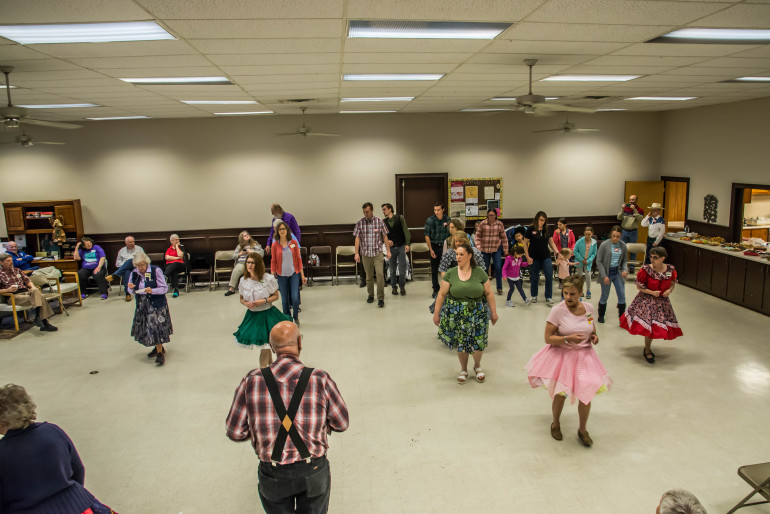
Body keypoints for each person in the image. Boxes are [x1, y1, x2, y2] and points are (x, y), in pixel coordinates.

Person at [226, 321, 349, 514]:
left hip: (272, 471)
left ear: (272, 347)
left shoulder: (251, 380)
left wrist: (261, 431)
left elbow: (235, 432)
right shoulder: (320, 379)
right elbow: (341, 423)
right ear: (300, 343)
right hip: (313, 469)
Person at [0, 384, 116, 514]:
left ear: (3, 420)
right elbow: (78, 469)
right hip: (78, 505)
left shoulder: (3, 451)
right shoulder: (52, 430)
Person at [525, 275, 611, 447]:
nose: (568, 297)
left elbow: (591, 327)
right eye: (565, 293)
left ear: (580, 292)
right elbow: (548, 338)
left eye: (572, 294)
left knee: (586, 395)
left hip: (585, 357)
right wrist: (567, 339)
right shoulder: (557, 310)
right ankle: (555, 424)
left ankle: (583, 430)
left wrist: (594, 336)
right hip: (562, 356)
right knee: (560, 394)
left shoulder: (588, 308)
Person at [433, 243, 499, 384]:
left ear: (470, 255)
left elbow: (489, 293)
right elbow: (441, 294)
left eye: (461, 254)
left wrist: (494, 312)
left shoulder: (480, 272)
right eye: (457, 254)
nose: (458, 257)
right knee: (462, 343)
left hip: (478, 312)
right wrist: (436, 313)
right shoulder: (450, 273)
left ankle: (477, 366)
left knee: (478, 341)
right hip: (457, 313)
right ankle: (463, 369)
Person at [620, 247, 683, 364]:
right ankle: (647, 349)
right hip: (647, 300)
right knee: (650, 326)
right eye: (651, 256)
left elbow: (673, 283)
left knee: (656, 327)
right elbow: (639, 286)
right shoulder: (646, 270)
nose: (652, 259)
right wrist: (651, 292)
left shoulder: (670, 270)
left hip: (662, 302)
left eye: (655, 258)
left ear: (662, 259)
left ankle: (647, 348)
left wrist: (669, 291)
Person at [234, 253, 292, 368]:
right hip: (253, 316)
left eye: (252, 263)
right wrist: (246, 303)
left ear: (258, 264)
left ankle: (263, 371)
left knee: (265, 346)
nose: (249, 265)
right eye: (248, 262)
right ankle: (271, 365)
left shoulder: (267, 279)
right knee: (265, 344)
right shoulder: (243, 280)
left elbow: (276, 296)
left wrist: (263, 301)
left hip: (267, 314)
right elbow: (241, 298)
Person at [127, 252, 173, 366]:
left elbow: (164, 288)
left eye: (142, 265)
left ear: (147, 262)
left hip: (156, 304)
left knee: (157, 328)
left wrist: (152, 290)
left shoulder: (155, 270)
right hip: (143, 304)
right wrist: (131, 288)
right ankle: (159, 348)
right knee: (148, 327)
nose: (141, 268)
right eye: (138, 266)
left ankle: (159, 354)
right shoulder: (134, 273)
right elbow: (131, 291)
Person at [0, 253, 57, 331]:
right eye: (8, 261)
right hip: (14, 296)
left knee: (36, 290)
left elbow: (28, 281)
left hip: (26, 292)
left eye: (11, 260)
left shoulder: (17, 270)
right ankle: (44, 322)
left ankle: (38, 318)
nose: (11, 262)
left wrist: (33, 288)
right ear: (1, 262)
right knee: (42, 297)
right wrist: (8, 290)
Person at [354, 202, 391, 308]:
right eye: (364, 212)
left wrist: (388, 251)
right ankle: (370, 295)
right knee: (369, 277)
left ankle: (381, 298)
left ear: (372, 210)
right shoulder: (360, 223)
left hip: (377, 254)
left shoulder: (379, 222)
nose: (365, 214)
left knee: (380, 275)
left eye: (367, 212)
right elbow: (357, 239)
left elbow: (385, 237)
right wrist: (357, 253)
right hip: (366, 255)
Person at [271, 222, 306, 326]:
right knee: (285, 300)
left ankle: (295, 316)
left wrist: (302, 275)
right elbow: (273, 261)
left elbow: (299, 260)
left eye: (284, 229)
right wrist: (272, 275)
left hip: (294, 274)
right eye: (280, 229)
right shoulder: (274, 245)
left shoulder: (293, 243)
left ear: (287, 230)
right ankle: (288, 319)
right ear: (277, 231)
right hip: (281, 275)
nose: (282, 230)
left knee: (295, 298)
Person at [523, 211, 559, 306]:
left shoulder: (547, 229)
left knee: (549, 275)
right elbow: (525, 243)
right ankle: (534, 295)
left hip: (545, 256)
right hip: (533, 257)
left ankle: (548, 297)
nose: (542, 222)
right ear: (537, 219)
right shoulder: (530, 229)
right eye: (541, 220)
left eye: (544, 220)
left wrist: (557, 252)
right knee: (534, 277)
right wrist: (527, 256)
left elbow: (551, 242)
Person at [596, 226, 629, 323]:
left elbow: (625, 260)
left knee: (622, 295)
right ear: (611, 235)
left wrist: (625, 270)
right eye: (614, 236)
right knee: (605, 295)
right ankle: (601, 315)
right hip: (607, 273)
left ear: (621, 236)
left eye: (618, 237)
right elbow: (599, 261)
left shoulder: (623, 245)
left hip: (617, 273)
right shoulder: (604, 245)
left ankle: (622, 318)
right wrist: (604, 276)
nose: (615, 238)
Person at [474, 208, 508, 295]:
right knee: (484, 269)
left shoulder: (499, 224)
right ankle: (485, 288)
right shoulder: (483, 223)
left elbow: (504, 237)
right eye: (489, 215)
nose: (491, 217)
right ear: (487, 215)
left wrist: (506, 249)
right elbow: (477, 236)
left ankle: (499, 287)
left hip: (496, 249)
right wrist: (478, 246)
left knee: (498, 267)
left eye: (492, 215)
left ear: (496, 215)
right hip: (484, 249)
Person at [382, 203, 411, 296]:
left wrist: (407, 243)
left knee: (402, 269)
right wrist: (387, 241)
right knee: (392, 270)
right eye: (383, 210)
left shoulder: (400, 218)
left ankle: (402, 286)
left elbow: (406, 230)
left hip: (401, 246)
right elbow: (383, 235)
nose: (383, 211)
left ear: (390, 209)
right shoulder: (383, 221)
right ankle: (394, 287)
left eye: (384, 209)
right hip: (390, 249)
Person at [225, 231, 264, 297]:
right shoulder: (239, 246)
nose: (247, 236)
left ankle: (259, 286)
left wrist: (252, 252)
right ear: (241, 238)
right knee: (236, 270)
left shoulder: (255, 244)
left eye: (247, 234)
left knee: (254, 269)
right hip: (242, 262)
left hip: (253, 262)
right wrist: (240, 253)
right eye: (244, 235)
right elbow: (234, 256)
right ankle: (231, 288)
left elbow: (262, 253)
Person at [424, 202, 451, 298]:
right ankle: (436, 289)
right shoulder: (430, 220)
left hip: (445, 247)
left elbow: (451, 233)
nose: (436, 212)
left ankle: (448, 288)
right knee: (434, 269)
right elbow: (427, 235)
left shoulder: (447, 219)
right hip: (434, 246)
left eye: (438, 210)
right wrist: (430, 249)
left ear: (443, 210)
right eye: (435, 210)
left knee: (447, 269)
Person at [106, 236, 144, 302]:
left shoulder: (139, 249)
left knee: (131, 260)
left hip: (137, 268)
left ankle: (115, 275)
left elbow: (144, 259)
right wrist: (125, 264)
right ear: (126, 243)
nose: (132, 243)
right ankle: (128, 293)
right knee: (127, 271)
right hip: (125, 269)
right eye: (130, 242)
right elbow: (117, 263)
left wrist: (133, 262)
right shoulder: (122, 251)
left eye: (133, 242)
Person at [618, 193, 644, 272]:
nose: (631, 201)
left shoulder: (640, 210)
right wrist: (622, 209)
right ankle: (622, 266)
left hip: (633, 232)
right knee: (622, 249)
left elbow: (639, 219)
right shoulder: (625, 209)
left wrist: (634, 210)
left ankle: (632, 267)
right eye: (630, 200)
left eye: (633, 200)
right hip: (624, 231)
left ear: (636, 201)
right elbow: (619, 217)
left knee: (633, 250)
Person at [573, 226, 597, 299]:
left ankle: (588, 291)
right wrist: (581, 259)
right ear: (584, 234)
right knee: (579, 277)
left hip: (588, 262)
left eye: (589, 234)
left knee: (588, 276)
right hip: (579, 261)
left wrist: (589, 260)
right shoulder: (580, 241)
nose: (587, 236)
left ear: (592, 234)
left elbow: (594, 253)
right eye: (586, 234)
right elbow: (575, 251)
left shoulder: (594, 242)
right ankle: (580, 290)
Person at [164, 233, 185, 298]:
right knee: (173, 271)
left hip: (180, 265)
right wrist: (177, 258)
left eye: (178, 240)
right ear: (171, 241)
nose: (177, 241)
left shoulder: (181, 247)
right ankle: (176, 290)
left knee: (175, 264)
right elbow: (167, 258)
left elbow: (180, 256)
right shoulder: (169, 249)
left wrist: (176, 247)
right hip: (171, 267)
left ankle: (164, 276)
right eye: (175, 240)